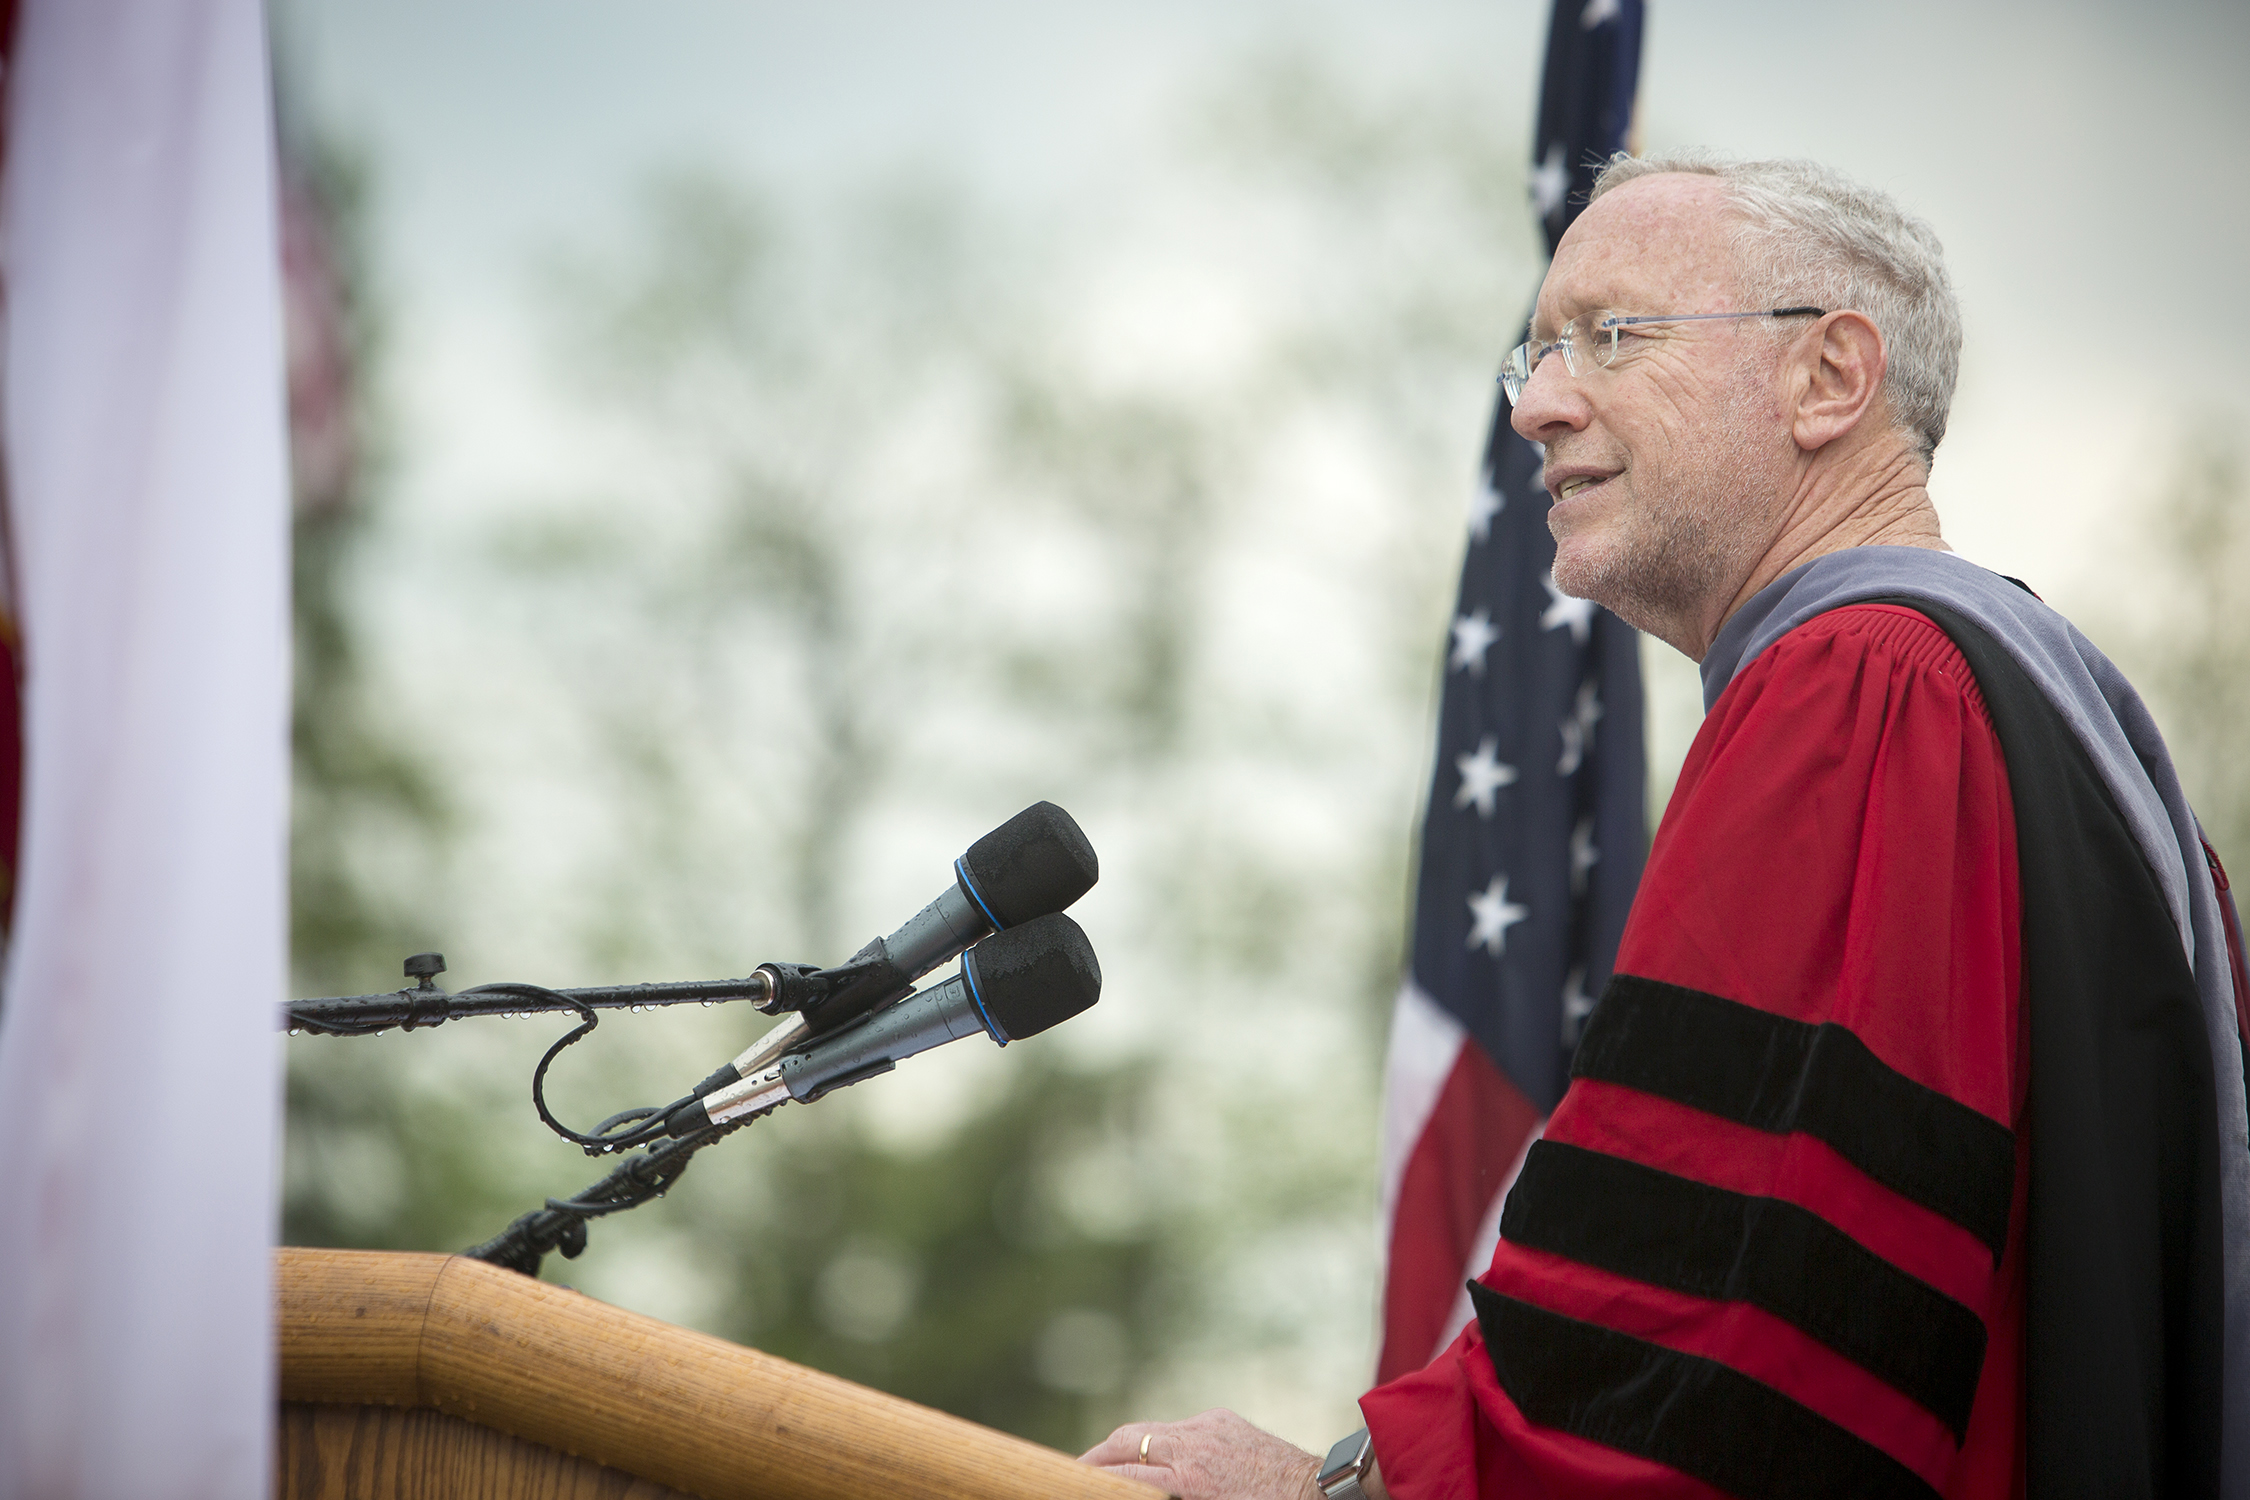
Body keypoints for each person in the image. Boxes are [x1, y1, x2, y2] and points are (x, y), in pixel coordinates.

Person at [1082, 154, 2250, 1500]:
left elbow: (1724, 1318)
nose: (1536, 407)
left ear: (1827, 377)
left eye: (1610, 336)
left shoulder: (1861, 693)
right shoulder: (2073, 757)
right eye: (1535, 354)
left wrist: (1351, 1489)